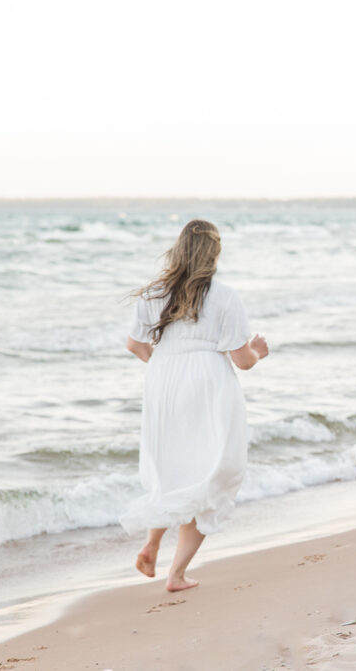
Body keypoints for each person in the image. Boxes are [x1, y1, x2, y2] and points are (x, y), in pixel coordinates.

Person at [121, 219, 268, 592]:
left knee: (174, 467)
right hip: (207, 384)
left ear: (179, 248)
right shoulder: (224, 295)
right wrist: (259, 352)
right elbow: (242, 360)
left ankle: (152, 545)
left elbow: (135, 345)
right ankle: (176, 574)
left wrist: (165, 366)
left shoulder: (153, 294)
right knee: (213, 472)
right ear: (214, 253)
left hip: (164, 382)